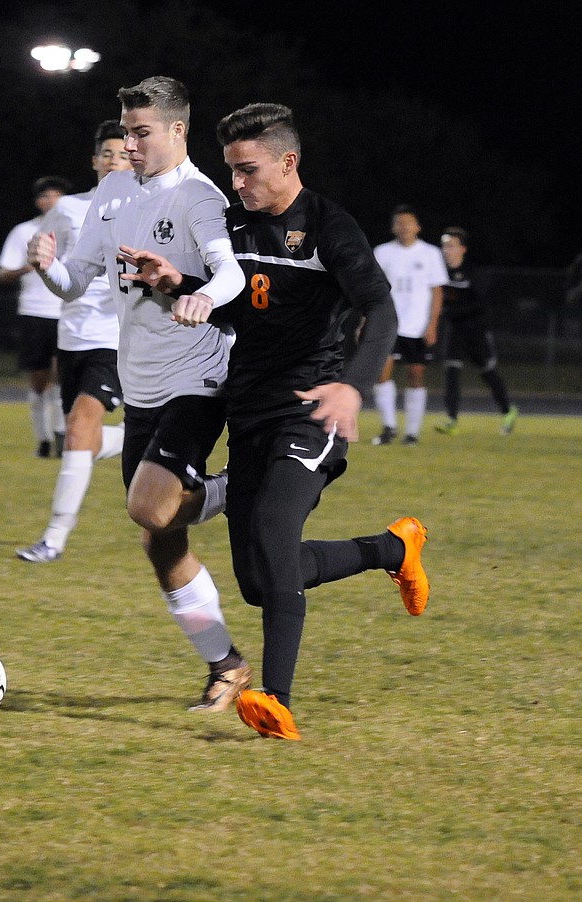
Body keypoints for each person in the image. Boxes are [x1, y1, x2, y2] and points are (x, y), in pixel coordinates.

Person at [118, 102, 430, 741]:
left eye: (248, 170)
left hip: (310, 412)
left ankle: (276, 702)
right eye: (232, 171)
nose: (237, 184)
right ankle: (392, 548)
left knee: (271, 528)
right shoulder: (234, 226)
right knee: (263, 581)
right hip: (249, 413)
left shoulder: (328, 228)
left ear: (288, 162)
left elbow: (381, 307)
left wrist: (352, 386)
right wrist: (176, 284)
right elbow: (232, 309)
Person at [27, 76, 252, 712]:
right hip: (143, 383)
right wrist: (47, 264)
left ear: (178, 130)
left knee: (151, 509)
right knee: (160, 538)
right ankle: (226, 664)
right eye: (124, 131)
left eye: (141, 132)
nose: (128, 144)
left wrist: (203, 294)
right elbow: (76, 284)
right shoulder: (114, 189)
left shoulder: (200, 196)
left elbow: (230, 268)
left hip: (198, 376)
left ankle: (238, 484)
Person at [16, 121, 132, 563]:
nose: (114, 161)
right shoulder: (67, 211)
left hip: (118, 340)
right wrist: (42, 263)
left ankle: (53, 538)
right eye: (106, 153)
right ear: (94, 160)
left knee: (80, 428)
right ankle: (138, 436)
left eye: (122, 154)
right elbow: (57, 268)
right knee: (81, 439)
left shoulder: (148, 208)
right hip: (72, 337)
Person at [0, 175, 73, 457]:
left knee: (62, 377)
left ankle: (61, 434)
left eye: (57, 195)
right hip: (34, 312)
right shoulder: (23, 232)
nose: (51, 201)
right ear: (37, 201)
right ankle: (42, 438)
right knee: (39, 380)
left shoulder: (75, 228)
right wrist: (27, 268)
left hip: (67, 311)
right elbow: (3, 272)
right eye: (45, 196)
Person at [371, 205, 447, 445]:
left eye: (408, 222)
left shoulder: (430, 253)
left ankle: (412, 432)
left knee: (416, 375)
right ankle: (389, 426)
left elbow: (437, 291)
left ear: (417, 226)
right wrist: (366, 319)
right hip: (388, 324)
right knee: (381, 374)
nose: (403, 227)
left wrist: (432, 325)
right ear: (393, 227)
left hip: (417, 326)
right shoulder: (382, 252)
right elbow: (373, 289)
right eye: (399, 222)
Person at [435, 227, 519, 435]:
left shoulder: (472, 272)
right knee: (451, 373)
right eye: (444, 246)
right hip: (456, 332)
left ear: (462, 249)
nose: (447, 250)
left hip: (476, 331)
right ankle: (452, 419)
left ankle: (508, 411)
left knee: (488, 374)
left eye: (451, 246)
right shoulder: (438, 271)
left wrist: (451, 311)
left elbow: (481, 304)